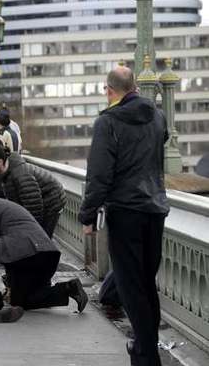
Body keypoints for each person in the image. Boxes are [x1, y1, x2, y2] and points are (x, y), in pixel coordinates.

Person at [79, 66, 169, 366]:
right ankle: (146, 346)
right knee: (146, 281)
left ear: (109, 90)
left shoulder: (108, 121)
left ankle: (146, 355)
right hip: (155, 209)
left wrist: (88, 214)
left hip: (125, 210)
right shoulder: (157, 116)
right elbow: (161, 145)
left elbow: (99, 174)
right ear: (136, 88)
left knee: (131, 287)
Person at [0, 186, 88, 313]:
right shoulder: (5, 206)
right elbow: (4, 248)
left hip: (30, 253)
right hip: (45, 256)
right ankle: (68, 288)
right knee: (21, 301)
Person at [0, 144, 66, 238]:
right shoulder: (0, 174)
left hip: (53, 199)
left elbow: (34, 207)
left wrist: (29, 230)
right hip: (41, 198)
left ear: (0, 162)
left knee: (42, 238)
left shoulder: (20, 175)